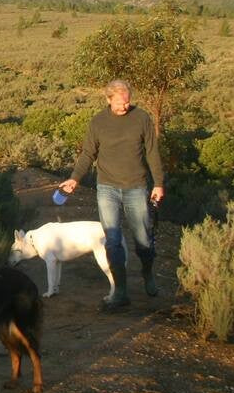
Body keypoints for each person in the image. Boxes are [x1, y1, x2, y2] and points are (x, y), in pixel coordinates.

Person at [58, 79, 164, 310]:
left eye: (126, 102)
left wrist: (158, 183)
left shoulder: (141, 118)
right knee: (113, 240)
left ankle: (147, 273)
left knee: (143, 239)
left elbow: (152, 152)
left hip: (136, 186)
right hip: (107, 188)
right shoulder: (98, 122)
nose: (124, 106)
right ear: (108, 99)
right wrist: (75, 178)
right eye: (119, 103)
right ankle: (121, 291)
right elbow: (88, 153)